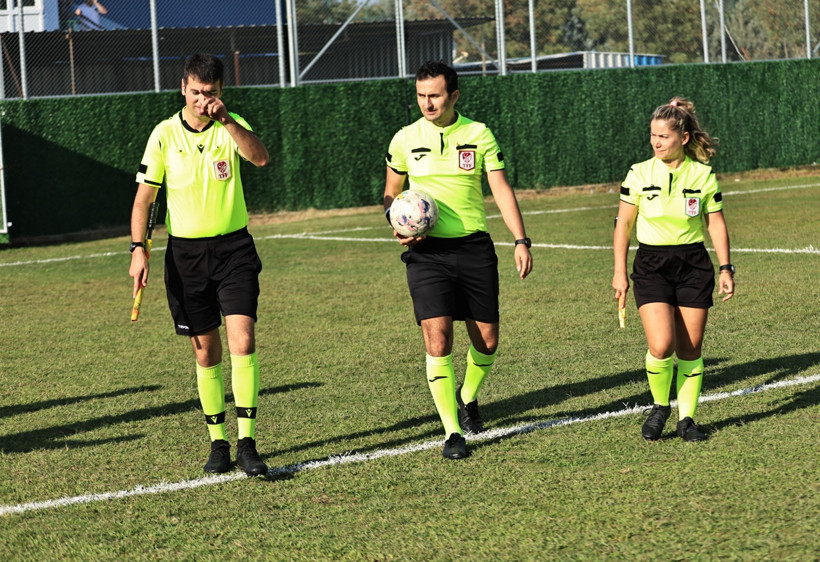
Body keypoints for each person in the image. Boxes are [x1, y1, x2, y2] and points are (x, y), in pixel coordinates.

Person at [383, 60, 533, 460]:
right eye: (421, 95)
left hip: (474, 248)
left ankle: (468, 396)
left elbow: (500, 189)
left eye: (434, 95)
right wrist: (396, 222)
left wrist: (520, 239)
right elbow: (391, 191)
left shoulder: (479, 134)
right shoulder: (404, 139)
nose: (427, 103)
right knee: (438, 337)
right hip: (426, 253)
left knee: (486, 341)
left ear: (453, 95)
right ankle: (452, 432)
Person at [129, 53, 270, 475]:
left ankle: (247, 442)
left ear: (221, 93)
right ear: (183, 89)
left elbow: (261, 158)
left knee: (242, 342)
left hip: (235, 251)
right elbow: (144, 200)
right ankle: (218, 443)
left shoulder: (232, 125)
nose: (201, 100)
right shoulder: (164, 135)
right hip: (186, 257)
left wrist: (228, 120)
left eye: (210, 93)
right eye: (195, 92)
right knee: (206, 352)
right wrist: (138, 248)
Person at [612, 96, 734, 443]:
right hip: (651, 265)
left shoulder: (703, 175)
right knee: (662, 345)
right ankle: (659, 406)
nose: (656, 142)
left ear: (682, 137)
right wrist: (619, 272)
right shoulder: (639, 173)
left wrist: (725, 268)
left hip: (693, 264)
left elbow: (716, 225)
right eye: (652, 135)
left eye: (663, 136)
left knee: (690, 349)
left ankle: (688, 419)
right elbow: (623, 225)